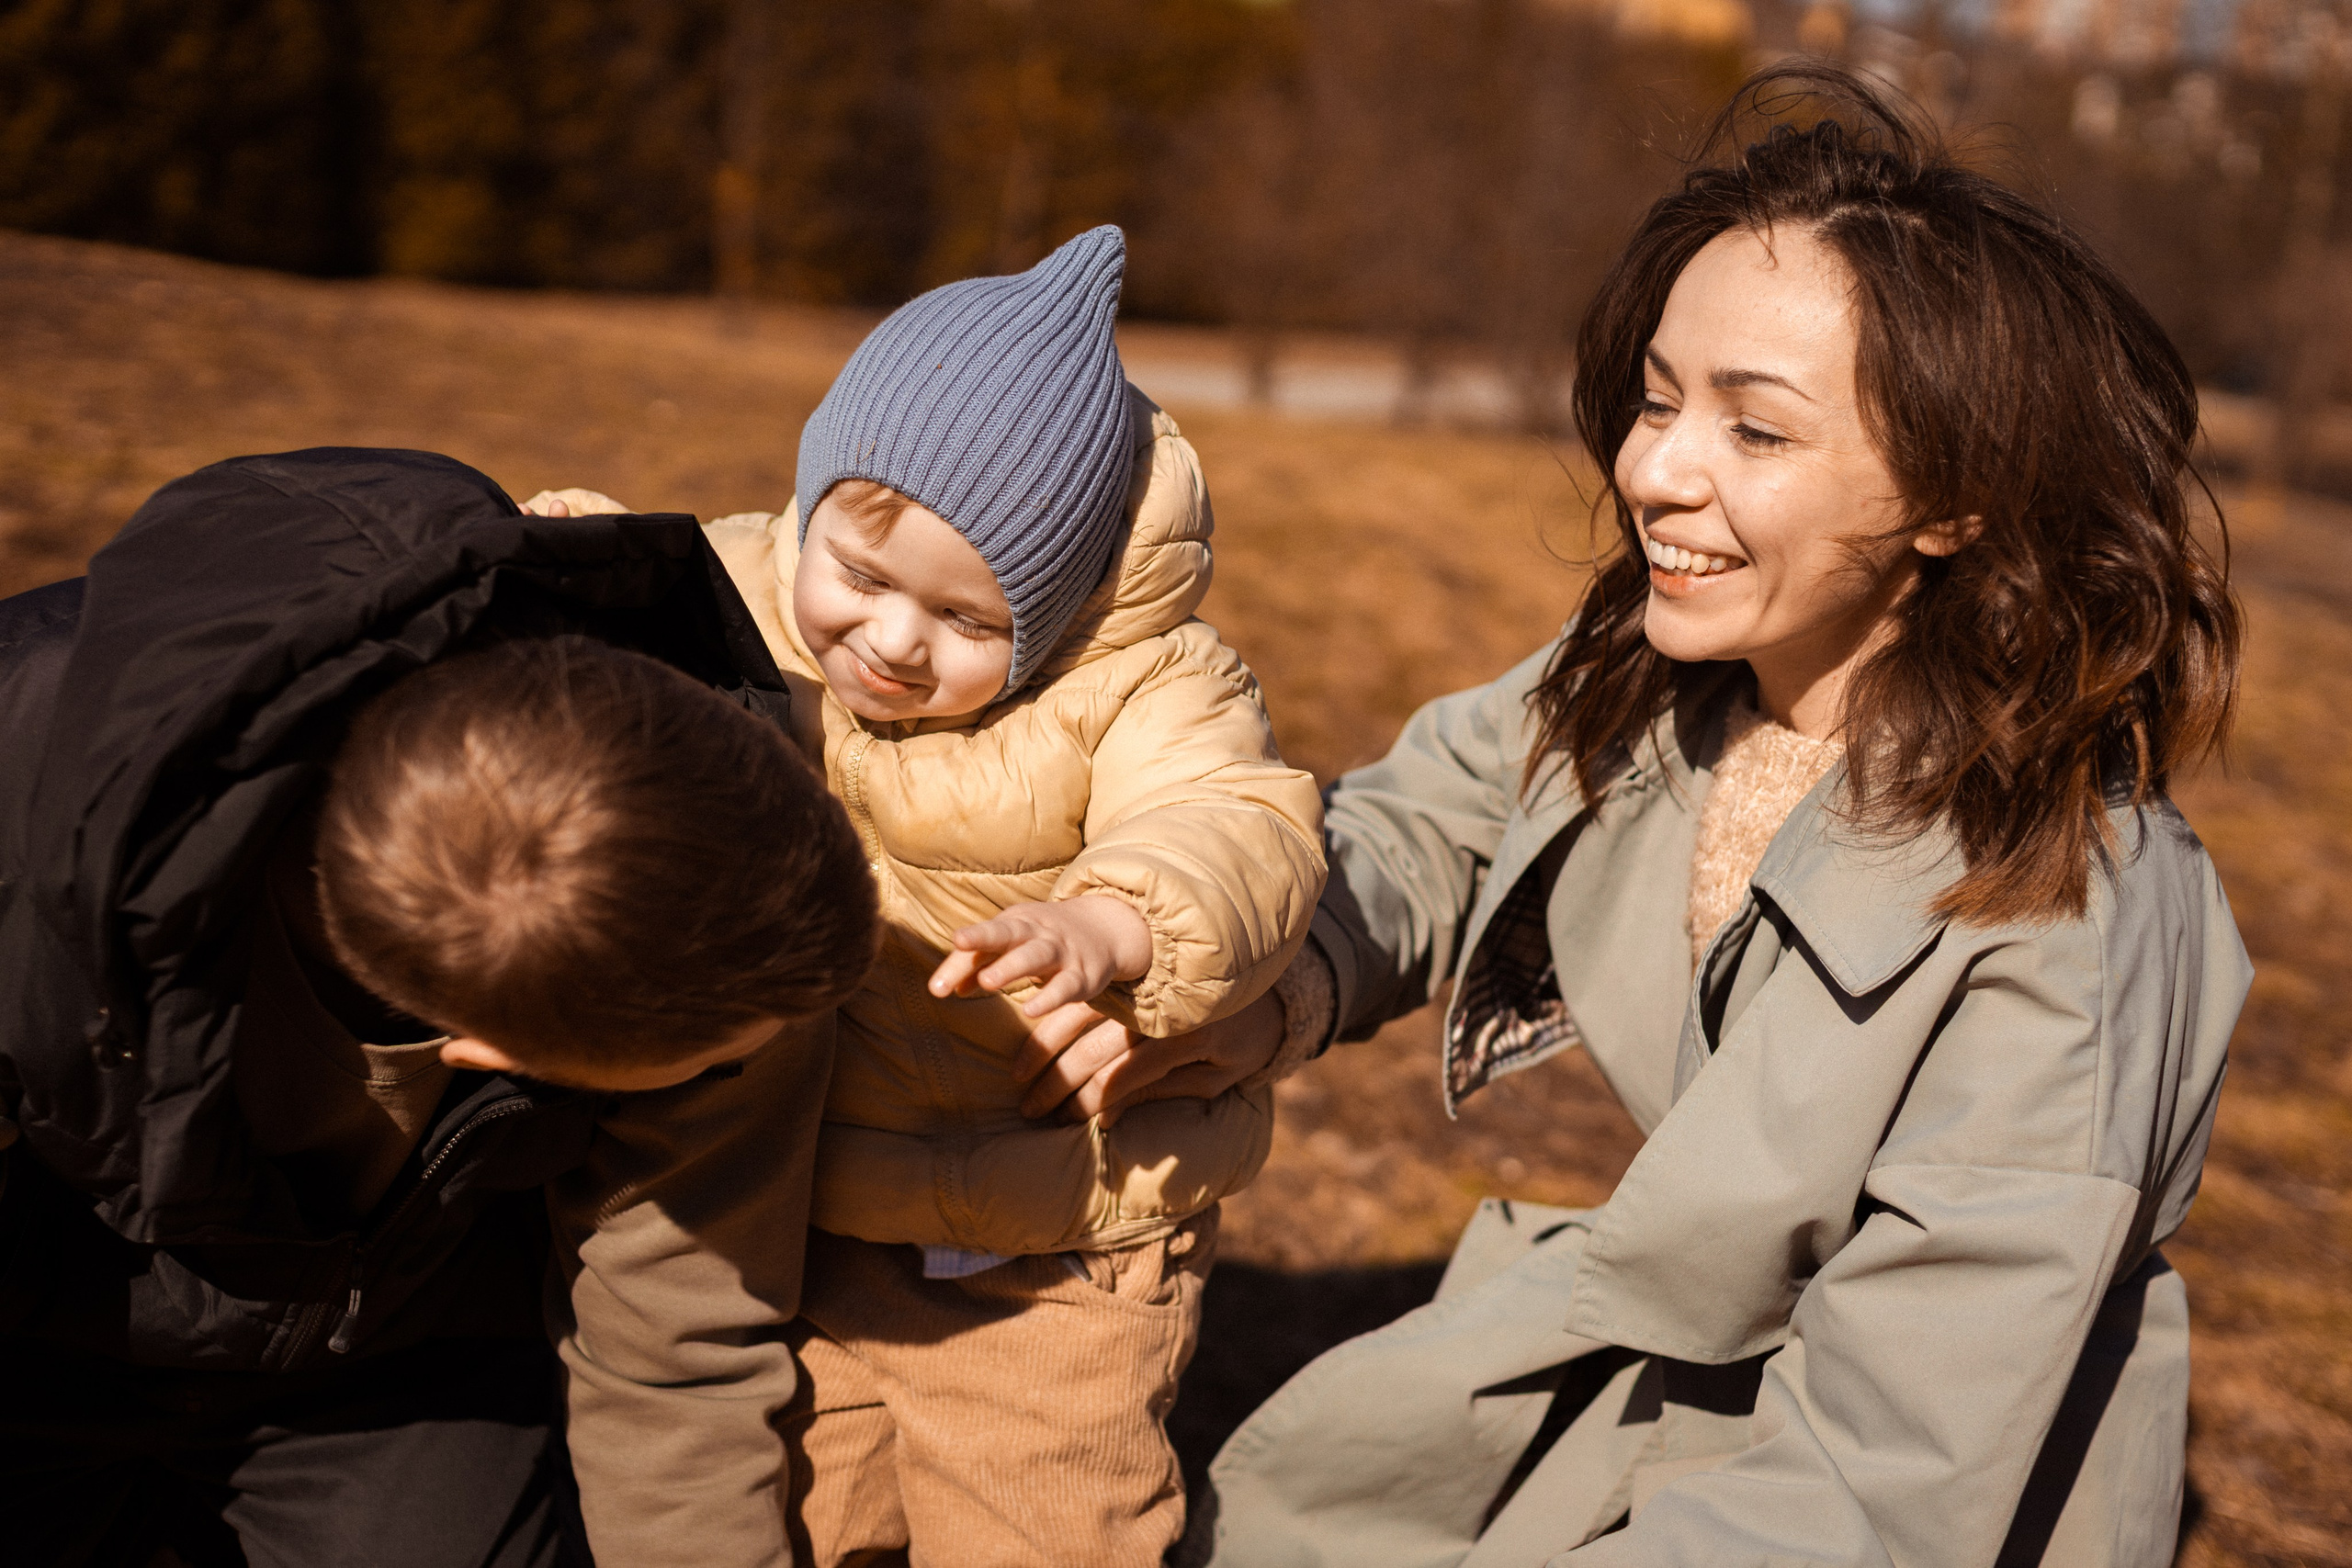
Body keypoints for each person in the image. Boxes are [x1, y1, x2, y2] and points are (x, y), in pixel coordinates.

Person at [1035, 68, 2246, 1565]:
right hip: (1659, 1403)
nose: (1654, 471)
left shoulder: (2068, 906)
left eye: (1758, 431)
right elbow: (1435, 820)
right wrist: (1240, 976)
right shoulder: (1670, 681)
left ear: (1957, 496)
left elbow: (1893, 1473)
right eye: (1662, 399)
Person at [558, 225, 1329, 1565]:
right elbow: (594, 574)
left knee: (1043, 1527)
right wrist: (519, 558)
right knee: (814, 1515)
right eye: (859, 577)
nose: (892, 640)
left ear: (1060, 608)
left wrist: (1117, 922)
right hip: (831, 1220)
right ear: (813, 506)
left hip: (1064, 1253)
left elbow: (1238, 822)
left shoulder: (1150, 681)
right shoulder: (750, 589)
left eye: (971, 622)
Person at [0, 447, 877, 1567]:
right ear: (490, 1053)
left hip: (392, 1357)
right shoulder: (24, 836)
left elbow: (677, 1339)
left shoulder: (730, 917)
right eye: (707, 1068)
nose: (737, 1071)